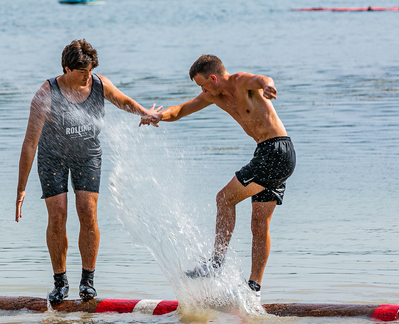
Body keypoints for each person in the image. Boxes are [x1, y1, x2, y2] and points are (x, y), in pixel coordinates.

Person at [15, 39, 161, 304]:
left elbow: (123, 101)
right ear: (67, 69)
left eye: (90, 71)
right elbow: (29, 144)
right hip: (52, 158)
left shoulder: (99, 84)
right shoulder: (45, 94)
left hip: (87, 156)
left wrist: (144, 112)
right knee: (57, 217)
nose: (88, 77)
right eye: (83, 73)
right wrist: (21, 188)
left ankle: (88, 282)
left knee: (87, 213)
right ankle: (60, 283)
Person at [139, 55, 296, 297]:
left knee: (224, 198)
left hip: (276, 150)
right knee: (258, 223)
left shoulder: (241, 82)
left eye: (202, 84)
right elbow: (180, 109)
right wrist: (160, 116)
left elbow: (261, 79)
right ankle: (254, 286)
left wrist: (268, 86)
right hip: (273, 155)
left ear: (213, 77)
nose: (202, 90)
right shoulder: (213, 96)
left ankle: (216, 262)